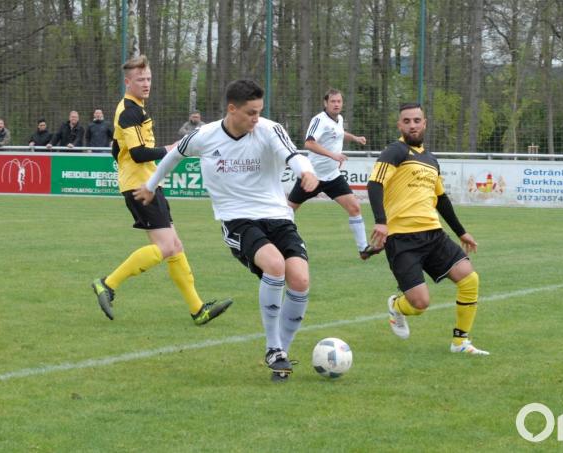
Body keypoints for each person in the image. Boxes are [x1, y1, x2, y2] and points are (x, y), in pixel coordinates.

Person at [134, 79, 320, 382]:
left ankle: (281, 356)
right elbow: (174, 155)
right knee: (274, 265)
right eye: (250, 113)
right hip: (237, 220)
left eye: (259, 112)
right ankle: (273, 346)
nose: (256, 119)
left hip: (278, 217)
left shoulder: (269, 130)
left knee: (299, 279)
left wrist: (307, 172)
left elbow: (293, 155)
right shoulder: (205, 136)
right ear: (231, 109)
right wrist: (151, 186)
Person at [90, 54, 232, 327]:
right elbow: (140, 153)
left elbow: (117, 148)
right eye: (140, 79)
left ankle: (198, 309)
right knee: (166, 247)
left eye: (148, 78)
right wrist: (174, 149)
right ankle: (107, 284)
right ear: (127, 82)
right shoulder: (129, 110)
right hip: (141, 187)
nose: (146, 83)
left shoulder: (135, 109)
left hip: (149, 183)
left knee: (175, 247)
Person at [367, 102, 489, 355]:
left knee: (469, 278)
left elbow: (441, 199)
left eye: (417, 120)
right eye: (407, 121)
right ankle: (397, 306)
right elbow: (375, 183)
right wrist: (381, 221)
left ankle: (460, 342)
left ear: (425, 123)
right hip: (401, 238)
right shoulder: (395, 151)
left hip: (433, 234)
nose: (412, 125)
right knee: (420, 304)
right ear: (400, 125)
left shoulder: (431, 160)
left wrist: (461, 231)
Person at [287, 89, 380, 260]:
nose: (336, 104)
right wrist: (333, 155)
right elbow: (309, 143)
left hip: (332, 176)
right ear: (325, 103)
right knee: (288, 210)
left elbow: (339, 133)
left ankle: (363, 249)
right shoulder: (319, 120)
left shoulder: (339, 119)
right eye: (333, 101)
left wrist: (356, 138)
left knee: (355, 208)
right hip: (312, 176)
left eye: (339, 101)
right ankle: (278, 241)